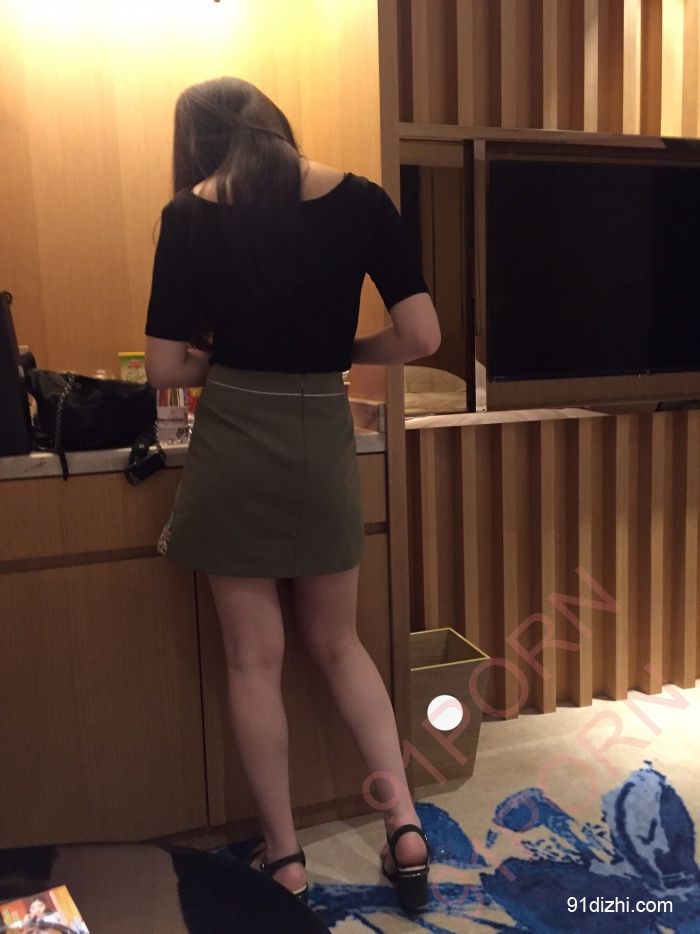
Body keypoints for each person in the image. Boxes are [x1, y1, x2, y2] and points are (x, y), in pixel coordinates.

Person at [144, 76, 441, 911]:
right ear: (273, 124)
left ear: (198, 144)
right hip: (322, 436)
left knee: (253, 660)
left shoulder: (188, 214)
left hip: (235, 439)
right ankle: (406, 827)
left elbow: (164, 366)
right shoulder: (363, 200)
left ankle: (285, 861)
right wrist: (340, 349)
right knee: (342, 645)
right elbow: (423, 335)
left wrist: (231, 359)